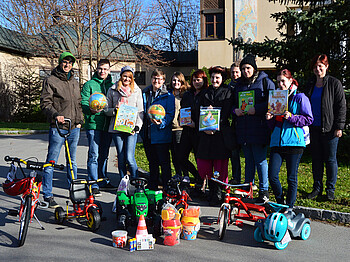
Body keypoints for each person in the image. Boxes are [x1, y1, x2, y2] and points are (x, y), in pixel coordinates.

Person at [40, 51, 84, 208]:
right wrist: (56, 115)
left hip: (74, 128)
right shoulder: (50, 81)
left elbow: (78, 103)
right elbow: (45, 103)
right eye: (65, 62)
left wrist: (80, 121)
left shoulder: (74, 81)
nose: (67, 65)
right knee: (51, 161)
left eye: (70, 63)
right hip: (58, 128)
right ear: (60, 63)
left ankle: (75, 193)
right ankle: (48, 194)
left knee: (72, 162)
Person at [266, 69, 313, 208]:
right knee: (272, 176)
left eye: (283, 81)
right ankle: (281, 204)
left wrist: (292, 118)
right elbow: (272, 125)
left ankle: (290, 207)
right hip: (277, 141)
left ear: (291, 81)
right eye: (278, 81)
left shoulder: (300, 97)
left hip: (294, 142)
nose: (280, 84)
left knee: (291, 177)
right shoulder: (275, 97)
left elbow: (309, 118)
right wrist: (269, 118)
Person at [233, 54, 275, 203]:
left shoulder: (265, 82)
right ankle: (247, 187)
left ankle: (264, 190)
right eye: (243, 68)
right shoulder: (239, 85)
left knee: (260, 160)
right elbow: (233, 104)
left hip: (259, 128)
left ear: (254, 68)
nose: (245, 71)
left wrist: (256, 109)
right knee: (249, 160)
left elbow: (273, 102)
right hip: (244, 129)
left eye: (248, 68)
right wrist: (235, 111)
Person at [306, 54, 346, 201]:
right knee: (316, 160)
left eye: (320, 66)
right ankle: (317, 188)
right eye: (315, 67)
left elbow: (341, 106)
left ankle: (330, 190)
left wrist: (339, 126)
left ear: (326, 67)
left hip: (330, 129)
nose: (318, 69)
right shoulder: (310, 84)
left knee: (330, 160)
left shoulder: (334, 84)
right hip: (313, 128)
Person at [193, 66, 235, 206]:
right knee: (204, 164)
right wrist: (206, 127)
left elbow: (227, 112)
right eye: (212, 77)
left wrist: (215, 125)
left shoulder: (227, 92)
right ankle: (210, 188)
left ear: (222, 79)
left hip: (220, 134)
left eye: (217, 77)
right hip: (205, 133)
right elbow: (199, 112)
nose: (215, 80)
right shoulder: (205, 93)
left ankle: (218, 192)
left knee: (219, 165)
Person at [81, 59, 114, 197]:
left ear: (109, 70)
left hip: (108, 125)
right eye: (101, 69)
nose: (103, 71)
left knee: (104, 155)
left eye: (105, 69)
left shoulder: (112, 86)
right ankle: (93, 183)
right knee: (94, 155)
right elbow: (83, 102)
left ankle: (102, 180)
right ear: (97, 69)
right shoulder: (89, 84)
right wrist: (90, 110)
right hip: (94, 124)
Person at [105, 66, 143, 179]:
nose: (127, 79)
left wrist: (137, 127)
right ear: (121, 76)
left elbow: (140, 111)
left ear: (132, 78)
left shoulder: (136, 91)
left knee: (129, 158)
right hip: (116, 129)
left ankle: (135, 182)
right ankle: (123, 182)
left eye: (129, 77)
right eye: (124, 76)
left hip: (131, 129)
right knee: (121, 157)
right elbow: (106, 109)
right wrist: (114, 110)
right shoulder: (112, 89)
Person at [140, 69, 175, 191]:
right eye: (155, 78)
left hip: (161, 135)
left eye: (160, 79)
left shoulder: (168, 96)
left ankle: (167, 188)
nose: (157, 81)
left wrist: (161, 123)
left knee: (164, 163)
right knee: (152, 163)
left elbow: (170, 114)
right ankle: (153, 188)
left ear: (163, 80)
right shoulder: (145, 93)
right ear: (151, 79)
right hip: (148, 134)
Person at [179, 69, 209, 185]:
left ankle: (201, 181)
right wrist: (182, 120)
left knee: (199, 159)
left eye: (199, 80)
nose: (196, 82)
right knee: (181, 156)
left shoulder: (206, 94)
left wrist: (196, 124)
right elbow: (183, 110)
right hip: (187, 130)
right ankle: (197, 176)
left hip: (200, 131)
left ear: (204, 80)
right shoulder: (187, 94)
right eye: (194, 80)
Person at [168, 72, 189, 182]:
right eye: (174, 80)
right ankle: (178, 173)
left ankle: (186, 174)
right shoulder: (168, 94)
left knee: (180, 154)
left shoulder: (185, 94)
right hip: (169, 128)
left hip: (180, 128)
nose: (176, 82)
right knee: (174, 154)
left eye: (178, 80)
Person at [228, 62, 242, 184]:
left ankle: (250, 180)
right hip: (234, 123)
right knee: (234, 152)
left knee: (249, 154)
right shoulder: (229, 87)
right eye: (233, 72)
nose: (235, 74)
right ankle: (236, 177)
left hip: (248, 123)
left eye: (237, 72)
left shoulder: (246, 85)